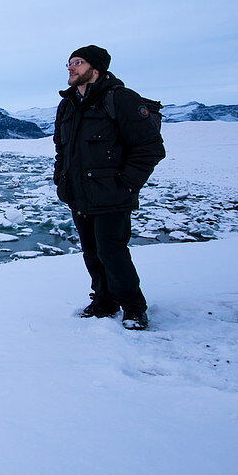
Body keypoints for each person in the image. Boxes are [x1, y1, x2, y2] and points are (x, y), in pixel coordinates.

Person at [53, 45, 165, 330]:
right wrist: (61, 179)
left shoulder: (121, 100)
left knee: (112, 252)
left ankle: (134, 308)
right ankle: (104, 300)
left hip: (112, 194)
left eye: (77, 63)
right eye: (69, 63)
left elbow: (150, 148)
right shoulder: (68, 104)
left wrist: (126, 185)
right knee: (91, 252)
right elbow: (61, 149)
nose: (71, 68)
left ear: (96, 68)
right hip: (78, 194)